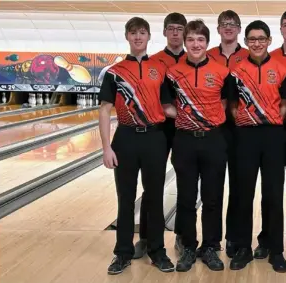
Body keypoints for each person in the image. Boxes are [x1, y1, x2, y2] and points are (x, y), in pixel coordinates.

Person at [99, 17, 174, 275]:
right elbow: (105, 109)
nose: (138, 37)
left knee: (154, 198)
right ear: (127, 37)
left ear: (149, 36)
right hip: (126, 139)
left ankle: (157, 251)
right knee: (126, 198)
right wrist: (106, 148)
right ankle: (122, 253)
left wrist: (198, 116)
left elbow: (167, 106)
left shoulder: (160, 69)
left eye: (142, 33)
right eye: (133, 33)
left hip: (154, 138)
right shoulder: (114, 72)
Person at [162, 19, 232, 272]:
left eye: (200, 40)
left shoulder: (222, 72)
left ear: (207, 43)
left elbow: (225, 103)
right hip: (185, 141)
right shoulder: (172, 73)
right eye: (190, 39)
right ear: (185, 41)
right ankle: (188, 246)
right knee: (186, 198)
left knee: (212, 198)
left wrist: (207, 118)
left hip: (213, 140)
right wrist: (185, 117)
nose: (195, 44)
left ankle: (211, 247)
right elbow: (166, 106)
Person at [227, 20, 286, 273]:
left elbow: (285, 102)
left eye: (261, 39)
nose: (256, 43)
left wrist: (272, 119)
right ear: (246, 42)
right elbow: (232, 106)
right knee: (244, 193)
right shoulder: (236, 70)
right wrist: (247, 120)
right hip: (245, 136)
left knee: (274, 194)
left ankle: (275, 248)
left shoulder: (282, 67)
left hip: (273, 135)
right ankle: (243, 247)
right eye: (252, 39)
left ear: (269, 41)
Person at [133, 12, 187, 260]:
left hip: (186, 127)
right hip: (158, 128)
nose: (175, 33)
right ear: (164, 32)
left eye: (179, 29)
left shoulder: (193, 58)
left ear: (185, 32)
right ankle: (145, 237)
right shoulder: (153, 61)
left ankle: (182, 236)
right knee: (152, 184)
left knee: (187, 184)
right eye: (171, 28)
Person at [255, 8, 286, 260]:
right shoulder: (270, 58)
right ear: (281, 29)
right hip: (273, 133)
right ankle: (267, 239)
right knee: (271, 190)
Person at [206, 9, 249, 258]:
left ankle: (234, 237)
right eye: (224, 24)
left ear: (239, 28)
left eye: (233, 24)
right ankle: (212, 241)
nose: (229, 27)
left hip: (242, 129)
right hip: (214, 130)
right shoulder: (208, 55)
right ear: (219, 29)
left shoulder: (248, 55)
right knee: (212, 188)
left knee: (239, 187)